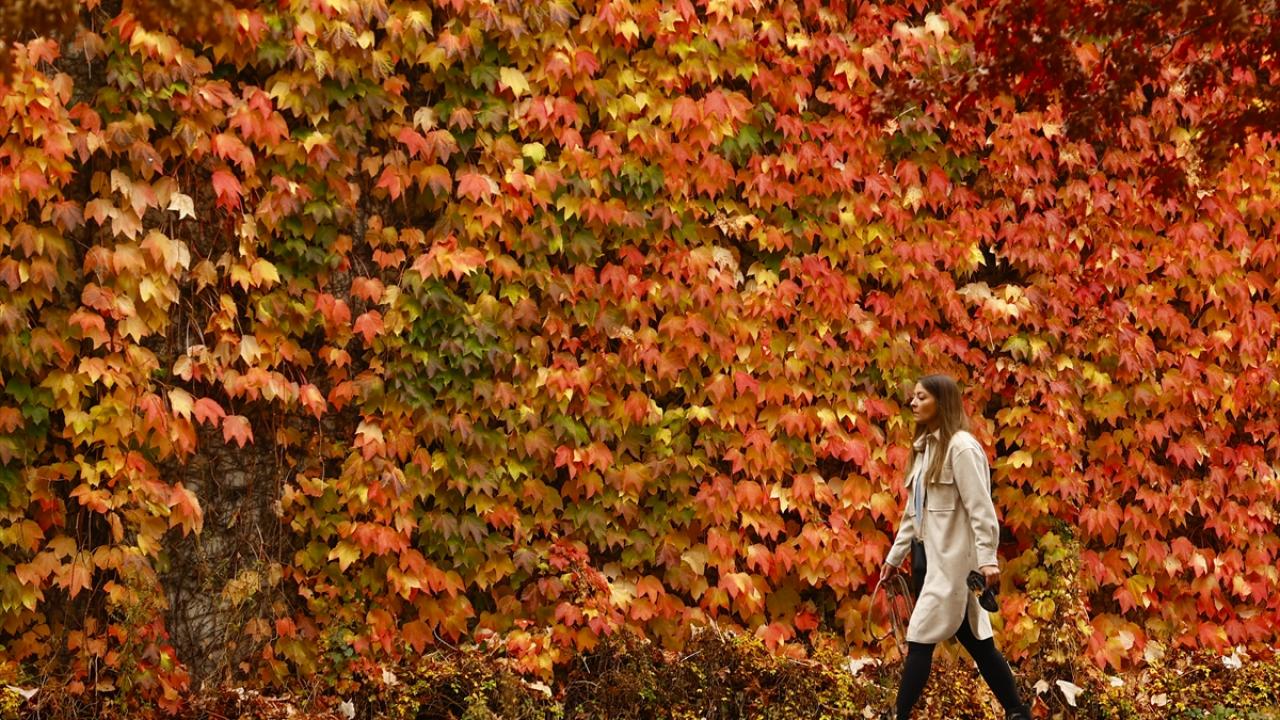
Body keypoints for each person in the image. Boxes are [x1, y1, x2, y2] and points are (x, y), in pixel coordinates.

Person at [880, 374, 1032, 720]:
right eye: (914, 397)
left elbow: (981, 509)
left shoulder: (961, 448)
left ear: (942, 402)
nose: (913, 403)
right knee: (979, 645)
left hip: (956, 568)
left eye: (922, 397)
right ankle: (1017, 712)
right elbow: (914, 513)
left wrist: (988, 560)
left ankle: (898, 715)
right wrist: (895, 557)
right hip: (931, 563)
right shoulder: (925, 448)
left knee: (919, 638)